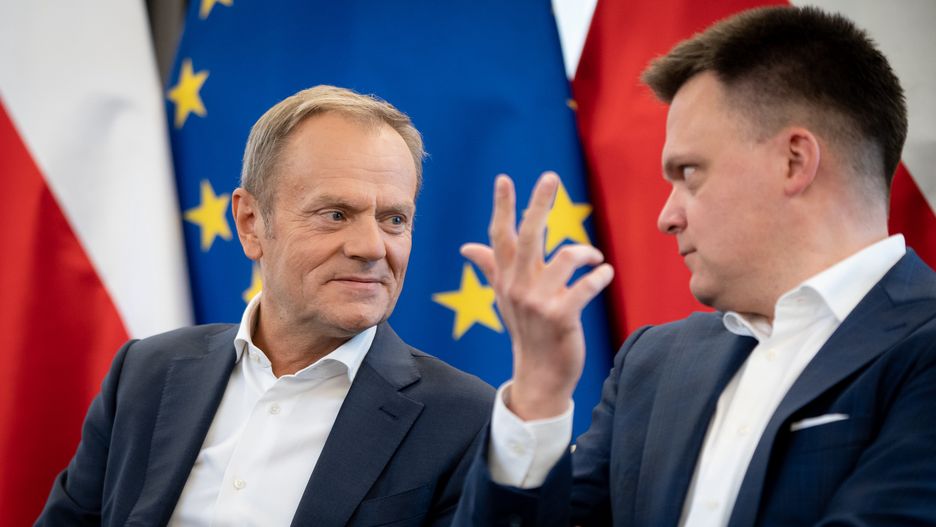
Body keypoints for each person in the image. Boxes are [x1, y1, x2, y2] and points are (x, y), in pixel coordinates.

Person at [455, 6, 936, 526]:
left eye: (689, 173)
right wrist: (538, 396)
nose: (666, 217)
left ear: (794, 161)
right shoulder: (652, 364)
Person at [37, 85, 495, 526]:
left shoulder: (465, 420)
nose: (372, 247)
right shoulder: (144, 373)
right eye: (336, 214)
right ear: (250, 222)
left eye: (394, 219)